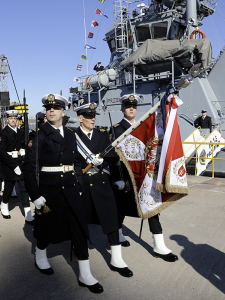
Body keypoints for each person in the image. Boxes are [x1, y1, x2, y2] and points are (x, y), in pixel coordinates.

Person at [22, 94, 103, 294]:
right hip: (49, 190)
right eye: (48, 107)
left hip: (71, 188)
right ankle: (40, 257)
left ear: (63, 112)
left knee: (79, 229)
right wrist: (35, 195)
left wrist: (81, 183)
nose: (51, 110)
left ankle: (85, 274)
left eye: (56, 108)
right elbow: (29, 169)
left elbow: (76, 162)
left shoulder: (69, 134)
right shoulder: (38, 135)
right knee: (46, 229)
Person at [111, 94, 178, 262]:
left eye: (133, 106)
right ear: (122, 109)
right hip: (126, 177)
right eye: (127, 106)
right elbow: (114, 157)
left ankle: (159, 245)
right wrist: (117, 178)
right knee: (120, 208)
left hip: (143, 176)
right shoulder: (117, 128)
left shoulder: (144, 126)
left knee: (151, 208)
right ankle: (118, 235)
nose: (131, 108)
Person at [74, 103, 133, 277]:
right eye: (89, 116)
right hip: (83, 184)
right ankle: (83, 262)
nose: (93, 119)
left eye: (94, 116)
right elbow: (71, 162)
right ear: (80, 118)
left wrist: (114, 174)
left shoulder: (101, 135)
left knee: (111, 220)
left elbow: (113, 157)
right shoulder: (72, 137)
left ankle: (117, 259)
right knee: (80, 224)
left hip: (101, 182)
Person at [0, 110, 34, 224]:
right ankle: (4, 205)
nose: (13, 120)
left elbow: (27, 145)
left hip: (21, 162)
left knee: (23, 188)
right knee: (8, 187)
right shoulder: (2, 133)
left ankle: (28, 213)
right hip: (9, 164)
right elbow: (1, 152)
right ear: (7, 120)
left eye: (15, 118)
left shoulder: (22, 131)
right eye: (11, 118)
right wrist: (14, 165)